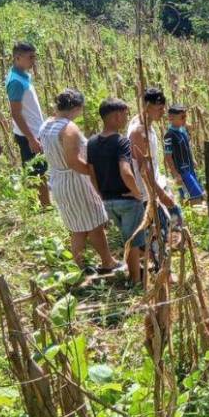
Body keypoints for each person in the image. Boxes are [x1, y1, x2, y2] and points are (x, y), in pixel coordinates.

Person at [39, 89, 119, 273]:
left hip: (58, 179)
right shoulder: (69, 129)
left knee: (78, 226)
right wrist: (95, 175)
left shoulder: (46, 124)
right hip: (75, 182)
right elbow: (74, 161)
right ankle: (108, 262)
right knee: (94, 224)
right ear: (76, 108)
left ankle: (79, 267)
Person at [88, 98, 147, 284]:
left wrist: (100, 195)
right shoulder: (121, 142)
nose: (126, 119)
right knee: (134, 242)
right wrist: (137, 192)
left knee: (127, 240)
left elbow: (91, 172)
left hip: (108, 201)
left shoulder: (92, 142)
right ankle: (136, 280)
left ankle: (133, 273)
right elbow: (125, 170)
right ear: (115, 116)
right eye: (124, 115)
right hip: (127, 200)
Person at [129, 87, 180, 250]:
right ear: (146, 106)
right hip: (147, 191)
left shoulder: (148, 124)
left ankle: (172, 248)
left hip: (157, 182)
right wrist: (160, 193)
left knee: (176, 218)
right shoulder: (138, 131)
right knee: (158, 233)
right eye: (159, 108)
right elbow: (143, 169)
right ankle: (160, 265)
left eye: (163, 107)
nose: (163, 112)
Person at [6, 41, 49, 208]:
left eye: (35, 57)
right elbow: (15, 113)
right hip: (28, 134)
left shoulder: (23, 75)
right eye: (30, 57)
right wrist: (31, 138)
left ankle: (38, 205)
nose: (34, 60)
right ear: (17, 58)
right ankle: (41, 206)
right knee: (36, 172)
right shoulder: (15, 81)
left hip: (34, 130)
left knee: (39, 169)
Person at [164, 104, 204, 203]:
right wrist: (175, 174)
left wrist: (193, 160)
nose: (185, 119)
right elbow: (168, 157)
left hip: (190, 169)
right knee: (195, 198)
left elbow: (187, 146)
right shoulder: (169, 135)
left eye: (185, 116)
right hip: (182, 172)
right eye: (182, 117)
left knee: (198, 195)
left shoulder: (182, 130)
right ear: (171, 118)